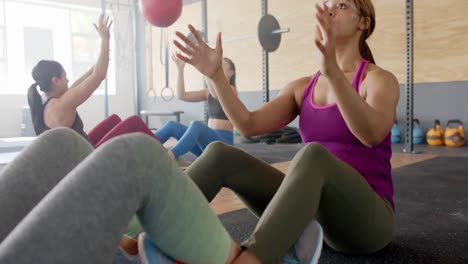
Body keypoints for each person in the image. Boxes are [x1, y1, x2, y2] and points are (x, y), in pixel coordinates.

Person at [171, 0, 400, 263]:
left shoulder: (379, 80)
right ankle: (158, 229)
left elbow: (372, 134)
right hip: (314, 218)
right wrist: (216, 76)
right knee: (219, 155)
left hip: (367, 224)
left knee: (313, 155)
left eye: (342, 5)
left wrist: (334, 74)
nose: (330, 10)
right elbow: (248, 124)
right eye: (327, 4)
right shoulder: (302, 87)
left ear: (363, 22)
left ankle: (252, 257)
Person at [27, 15, 158, 148]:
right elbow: (99, 75)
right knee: (134, 122)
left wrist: (101, 60)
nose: (68, 80)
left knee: (114, 120)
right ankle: (168, 156)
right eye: (65, 76)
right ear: (55, 80)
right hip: (85, 158)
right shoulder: (62, 104)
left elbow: (80, 83)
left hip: (82, 147)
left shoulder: (47, 100)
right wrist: (105, 39)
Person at [154, 55, 237, 159]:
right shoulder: (208, 92)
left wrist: (206, 68)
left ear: (231, 72)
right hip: (207, 145)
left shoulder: (232, 90)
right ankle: (143, 144)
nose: (218, 66)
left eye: (222, 64)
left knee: (196, 125)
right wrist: (180, 69)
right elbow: (181, 95)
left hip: (223, 145)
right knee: (172, 126)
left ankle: (170, 156)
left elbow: (216, 93)